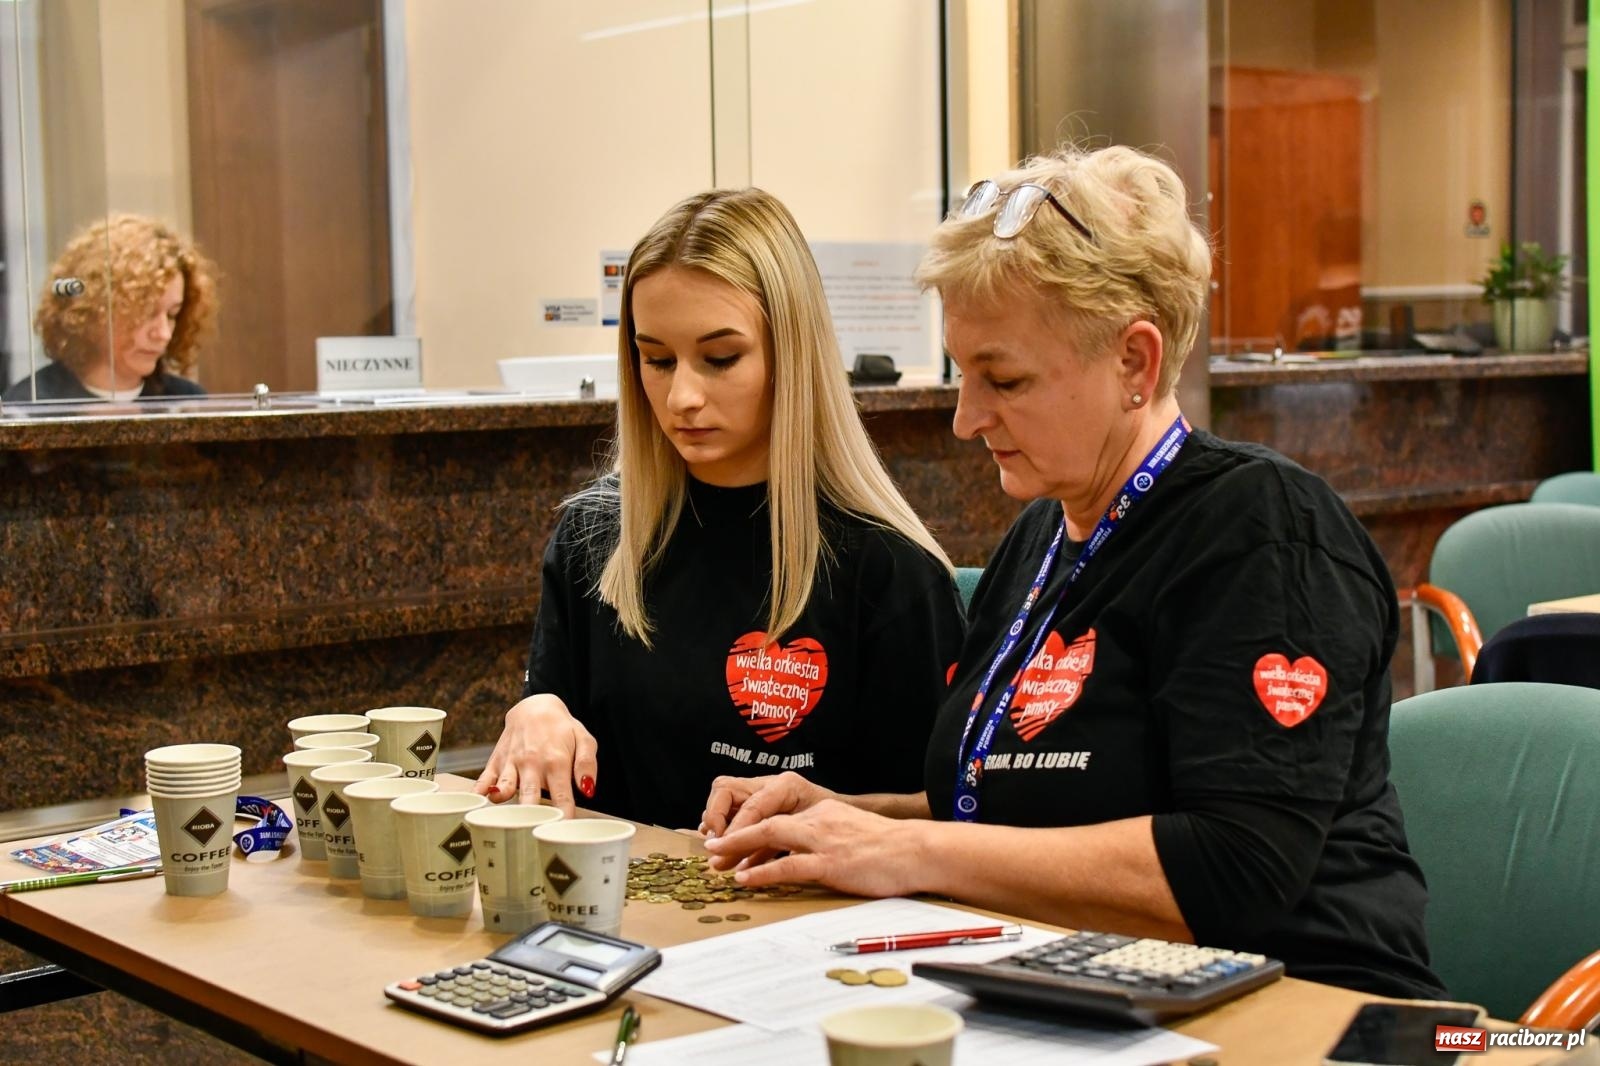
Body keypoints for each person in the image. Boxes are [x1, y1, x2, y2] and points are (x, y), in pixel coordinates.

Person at [700, 146, 1447, 999]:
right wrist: (844, 817)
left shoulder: (1266, 534)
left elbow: (1236, 869)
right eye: (962, 373)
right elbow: (1005, 814)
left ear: (1135, 361)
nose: (965, 419)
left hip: (1308, 1012)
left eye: (1003, 378)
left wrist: (908, 850)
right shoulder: (1039, 540)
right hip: (1084, 995)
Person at [474, 188, 965, 830]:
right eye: (655, 360)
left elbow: (943, 824)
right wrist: (534, 712)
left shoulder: (889, 570)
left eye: (720, 359)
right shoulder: (596, 537)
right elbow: (548, 741)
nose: (681, 396)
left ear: (790, 356)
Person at [2, 213, 218, 403]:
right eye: (146, 313)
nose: (163, 333)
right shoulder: (30, 405)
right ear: (95, 311)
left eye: (172, 314)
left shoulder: (186, 402)